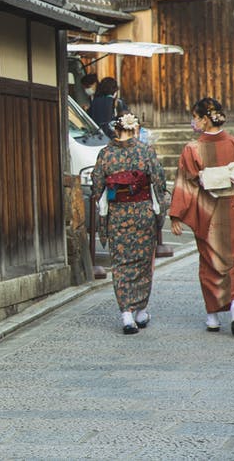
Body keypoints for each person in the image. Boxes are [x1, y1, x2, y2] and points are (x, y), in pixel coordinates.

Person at [169, 97, 234, 336]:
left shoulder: (192, 149)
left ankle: (213, 316)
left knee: (209, 264)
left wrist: (176, 215)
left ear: (206, 119)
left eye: (195, 118)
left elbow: (185, 183)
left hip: (207, 212)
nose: (193, 122)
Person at [92, 111, 166, 334]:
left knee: (121, 262)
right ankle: (141, 310)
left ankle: (126, 314)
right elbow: (159, 181)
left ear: (116, 130)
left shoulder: (105, 154)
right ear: (133, 129)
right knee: (143, 261)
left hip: (117, 214)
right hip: (142, 212)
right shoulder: (145, 151)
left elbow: (97, 185)